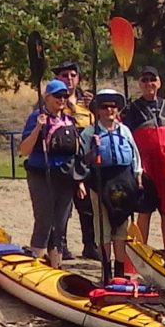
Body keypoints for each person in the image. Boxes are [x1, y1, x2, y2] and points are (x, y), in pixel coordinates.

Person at [74, 89, 141, 282]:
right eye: (104, 107)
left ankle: (119, 272)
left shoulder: (124, 130)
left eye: (113, 106)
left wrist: (138, 176)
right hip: (100, 181)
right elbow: (82, 161)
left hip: (123, 181)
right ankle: (106, 271)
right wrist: (93, 150)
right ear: (98, 110)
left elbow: (135, 155)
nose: (109, 110)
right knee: (103, 227)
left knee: (121, 227)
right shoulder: (89, 133)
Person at [18, 79, 81, 267]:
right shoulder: (36, 117)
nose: (61, 99)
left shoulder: (69, 120)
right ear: (47, 98)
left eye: (64, 96)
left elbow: (76, 152)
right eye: (57, 96)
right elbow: (24, 150)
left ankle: (56, 265)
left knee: (60, 224)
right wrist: (38, 127)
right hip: (41, 174)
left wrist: (80, 181)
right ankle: (36, 263)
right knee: (44, 221)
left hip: (65, 177)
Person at [125, 65, 165, 252]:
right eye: (145, 80)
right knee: (144, 211)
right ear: (139, 83)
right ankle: (141, 250)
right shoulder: (133, 109)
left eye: (152, 79)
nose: (149, 83)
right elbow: (127, 139)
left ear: (159, 83)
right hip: (146, 170)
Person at [52, 60, 99, 262]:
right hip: (62, 159)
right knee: (63, 205)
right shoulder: (53, 100)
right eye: (64, 75)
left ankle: (90, 245)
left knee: (87, 205)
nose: (69, 79)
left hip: (85, 159)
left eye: (73, 75)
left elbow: (99, 126)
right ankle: (60, 245)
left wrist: (95, 106)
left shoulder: (87, 101)